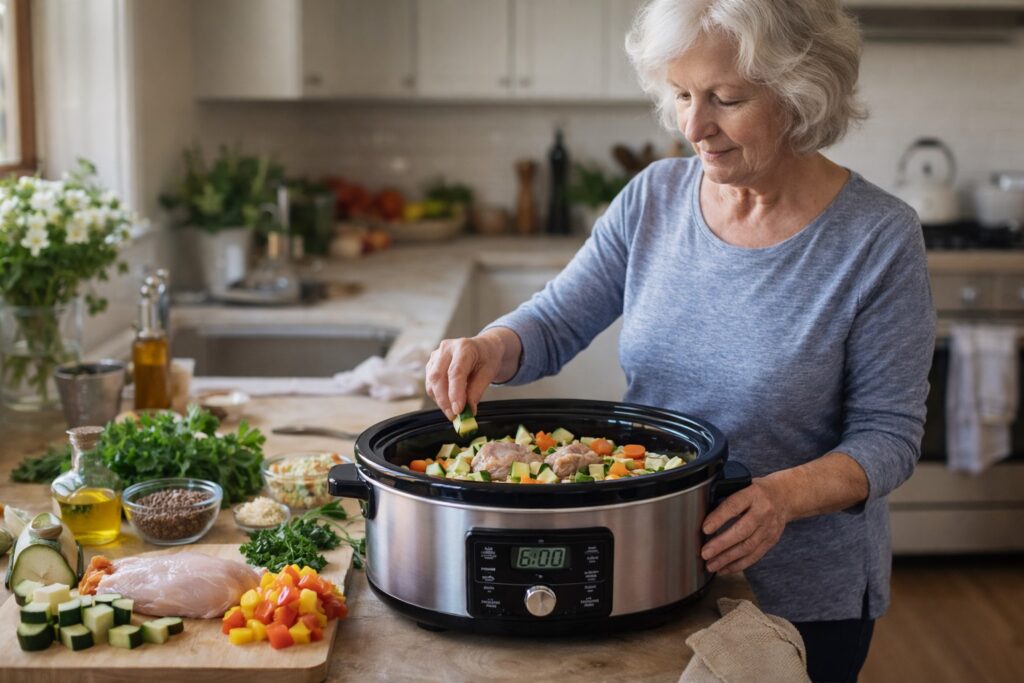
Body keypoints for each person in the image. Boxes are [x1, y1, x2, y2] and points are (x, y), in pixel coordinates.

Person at [424, 1, 935, 680]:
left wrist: (779, 497)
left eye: (726, 98)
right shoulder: (654, 197)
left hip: (802, 598)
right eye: (682, 95)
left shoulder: (878, 238)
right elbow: (554, 321)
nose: (695, 126)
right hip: (646, 571)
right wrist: (490, 345)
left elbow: (889, 437)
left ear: (799, 93)